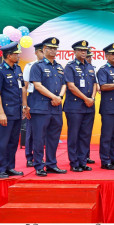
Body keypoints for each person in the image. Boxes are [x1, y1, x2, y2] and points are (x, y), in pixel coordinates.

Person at [29, 37, 67, 177]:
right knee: (39, 138)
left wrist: (60, 98)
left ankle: (51, 164)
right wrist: (54, 97)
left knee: (53, 137)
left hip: (56, 108)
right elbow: (37, 85)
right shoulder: (37, 66)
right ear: (43, 50)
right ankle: (39, 165)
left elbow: (64, 84)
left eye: (55, 48)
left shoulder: (59, 66)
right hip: (40, 108)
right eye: (50, 48)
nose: (53, 50)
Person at [63, 40, 97, 172]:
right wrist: (86, 99)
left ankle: (83, 161)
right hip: (75, 107)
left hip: (89, 106)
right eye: (81, 50)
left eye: (85, 50)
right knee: (74, 135)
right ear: (75, 52)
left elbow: (94, 83)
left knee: (85, 135)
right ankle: (74, 162)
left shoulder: (89, 66)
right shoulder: (70, 66)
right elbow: (71, 86)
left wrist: (92, 98)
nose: (84, 52)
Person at [0, 42, 29, 178]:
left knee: (13, 142)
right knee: (2, 142)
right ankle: (1, 169)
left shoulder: (17, 69)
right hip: (5, 113)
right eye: (16, 54)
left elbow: (22, 88)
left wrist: (24, 106)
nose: (18, 55)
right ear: (9, 55)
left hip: (17, 111)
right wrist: (1, 113)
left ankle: (10, 167)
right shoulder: (1, 71)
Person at [23, 43, 44, 167]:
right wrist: (25, 106)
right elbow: (25, 87)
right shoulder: (30, 66)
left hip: (47, 100)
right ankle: (29, 157)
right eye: (41, 51)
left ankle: (40, 157)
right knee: (31, 130)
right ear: (36, 52)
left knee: (43, 132)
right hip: (33, 99)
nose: (43, 54)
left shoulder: (53, 66)